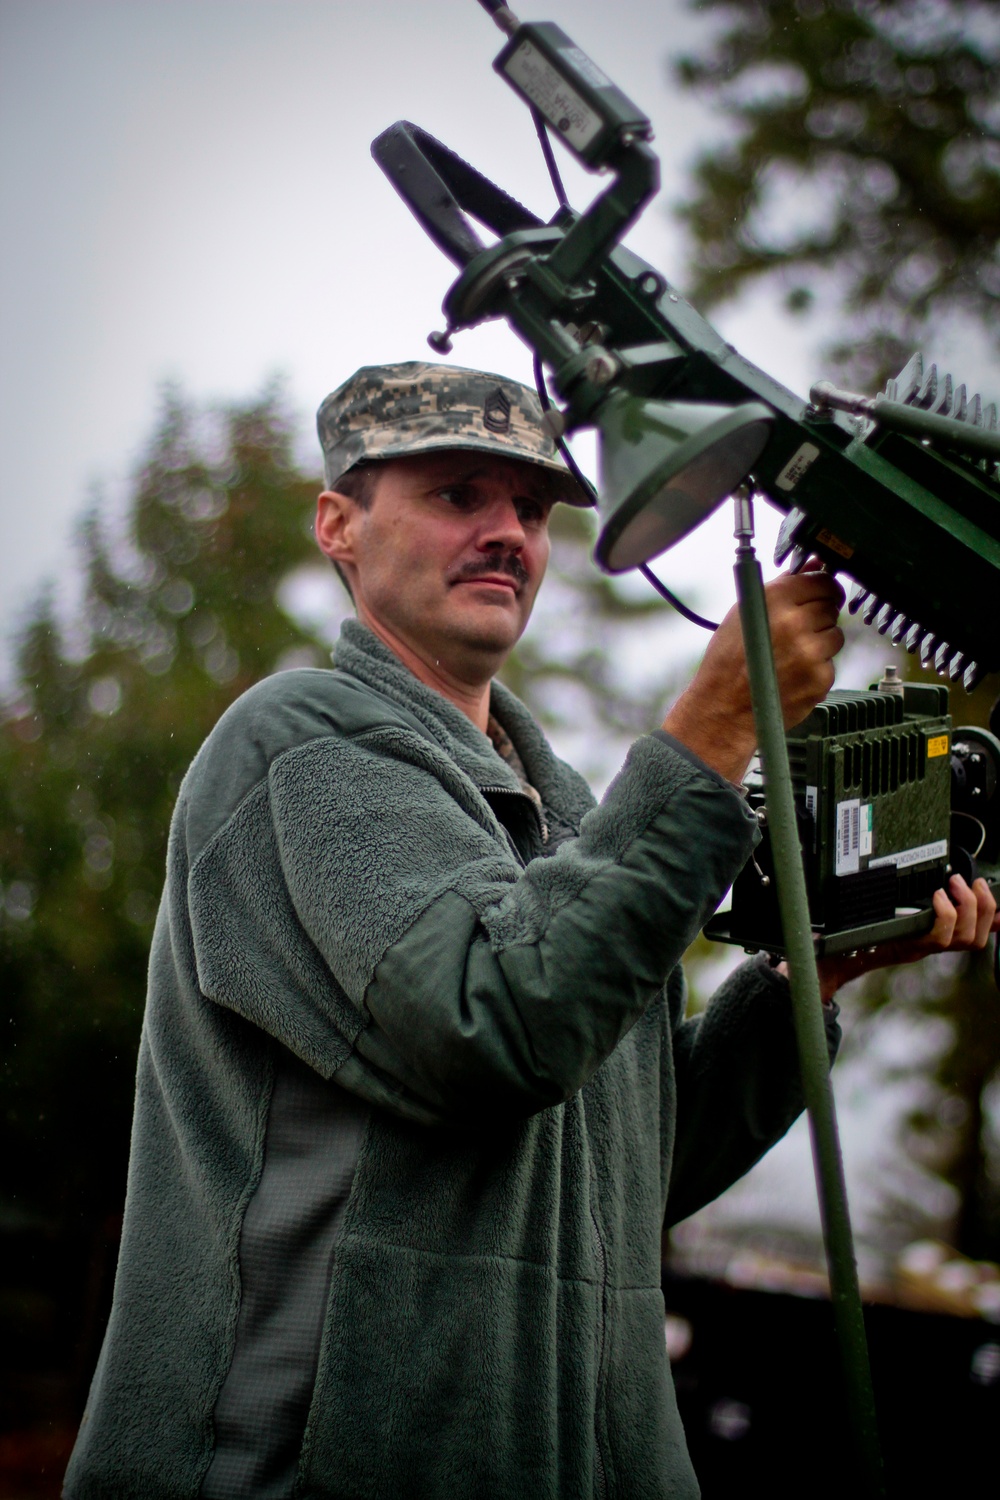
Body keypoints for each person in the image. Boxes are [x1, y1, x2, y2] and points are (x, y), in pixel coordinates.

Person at [64, 362, 997, 1500]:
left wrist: (818, 975)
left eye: (531, 508)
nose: (506, 531)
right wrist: (712, 728)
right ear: (339, 525)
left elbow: (628, 1169)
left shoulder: (569, 815)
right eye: (459, 494)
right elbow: (498, 1027)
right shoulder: (300, 749)